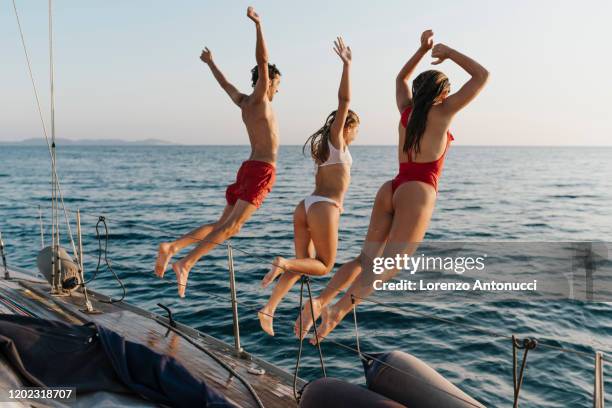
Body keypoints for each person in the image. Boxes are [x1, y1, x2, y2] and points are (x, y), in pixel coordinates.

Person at [295, 30, 489, 343]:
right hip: (418, 191)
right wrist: (448, 52)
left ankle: (320, 300)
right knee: (388, 267)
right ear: (441, 94)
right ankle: (336, 312)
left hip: (392, 187)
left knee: (365, 260)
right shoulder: (443, 112)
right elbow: (482, 75)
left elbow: (401, 78)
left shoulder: (407, 111)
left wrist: (421, 50)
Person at [154, 7, 281, 298]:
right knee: (231, 227)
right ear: (269, 81)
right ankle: (186, 263)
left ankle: (173, 247)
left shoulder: (244, 102)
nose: (277, 90)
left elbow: (225, 85)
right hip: (261, 169)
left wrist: (211, 63)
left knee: (222, 225)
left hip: (248, 167)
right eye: (277, 84)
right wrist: (258, 25)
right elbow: (263, 61)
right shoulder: (261, 99)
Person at [258, 37, 359, 336]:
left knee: (302, 265)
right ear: (347, 127)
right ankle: (282, 261)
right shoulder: (337, 140)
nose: (355, 135)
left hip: (306, 206)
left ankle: (269, 309)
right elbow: (344, 102)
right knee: (325, 265)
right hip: (324, 208)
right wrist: (347, 66)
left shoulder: (323, 149)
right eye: (355, 130)